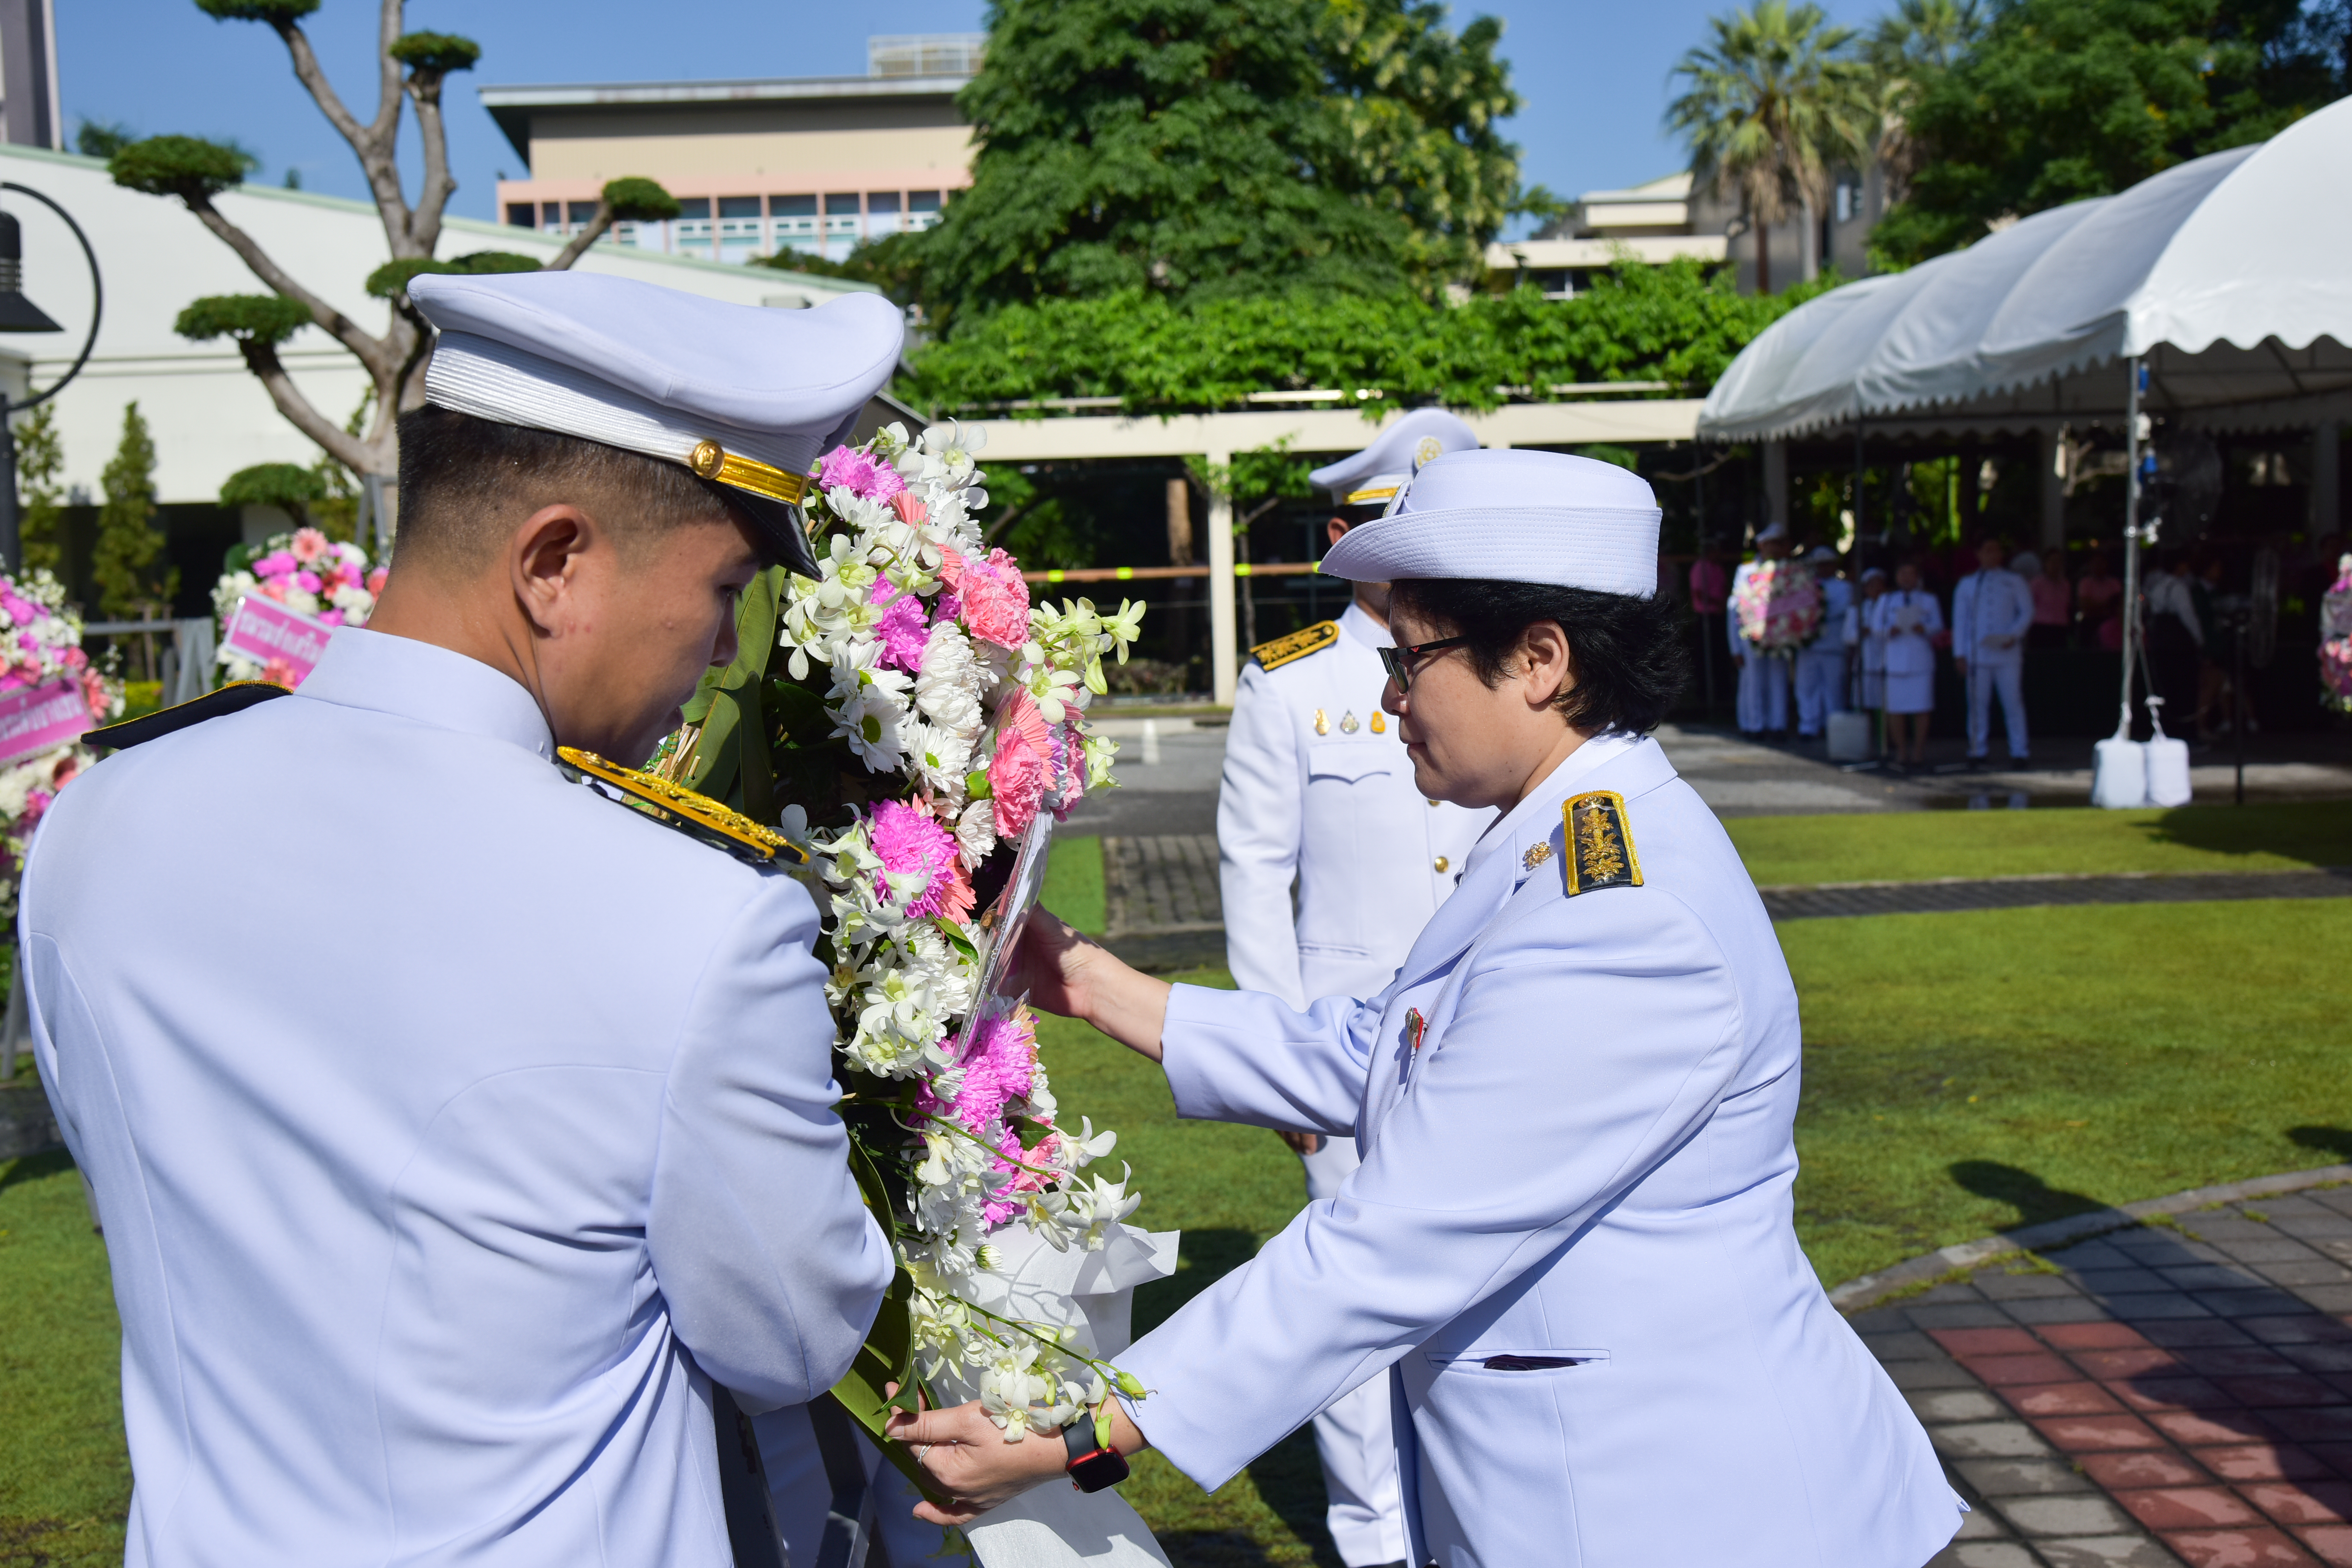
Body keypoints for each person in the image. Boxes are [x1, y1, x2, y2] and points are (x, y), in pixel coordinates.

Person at [886, 450, 1962, 1568]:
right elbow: (1400, 1047)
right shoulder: (1563, 833)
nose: (1390, 696)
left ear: (1540, 660)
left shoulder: (1619, 917)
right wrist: (1093, 984)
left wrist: (1082, 1433)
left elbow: (1392, 1243)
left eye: (1412, 659)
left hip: (1665, 1507)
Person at [19, 271, 903, 1564]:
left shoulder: (98, 822)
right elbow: (794, 1335)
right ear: (555, 563)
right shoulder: (692, 918)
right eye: (721, 591)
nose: (721, 652)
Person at [1216, 406, 1493, 1568]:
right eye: (1394, 538)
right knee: (1350, 1305)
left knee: (1484, 1288)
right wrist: (1281, 1058)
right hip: (1346, 1050)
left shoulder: (1499, 667)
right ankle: (1376, 1539)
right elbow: (1252, 873)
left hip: (1489, 1034)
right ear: (1344, 537)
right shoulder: (1290, 683)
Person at [1952, 536, 2034, 765]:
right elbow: (1961, 621)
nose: (1992, 555)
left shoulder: (2014, 581)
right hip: (1978, 654)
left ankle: (2020, 750)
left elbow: (2026, 611)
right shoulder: (1969, 584)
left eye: (1996, 551)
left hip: (2007, 653)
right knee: (1977, 704)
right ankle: (1977, 750)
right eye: (1987, 551)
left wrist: (2014, 635)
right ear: (1979, 554)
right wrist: (1960, 653)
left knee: (2012, 702)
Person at [1872, 560, 1943, 768]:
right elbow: (1877, 626)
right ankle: (1901, 752)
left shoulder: (1928, 599)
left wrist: (1926, 628)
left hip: (1920, 660)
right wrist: (1889, 631)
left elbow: (1938, 624)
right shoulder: (1886, 600)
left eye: (1910, 573)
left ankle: (1918, 752)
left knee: (1922, 707)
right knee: (1896, 709)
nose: (1906, 578)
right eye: (1902, 573)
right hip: (1895, 660)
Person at [1729, 522, 1793, 739]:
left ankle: (1778, 725)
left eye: (1778, 544)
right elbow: (1734, 610)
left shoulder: (1788, 571)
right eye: (1771, 544)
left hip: (1780, 634)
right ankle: (1754, 725)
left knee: (1778, 680)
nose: (1774, 549)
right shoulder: (1746, 571)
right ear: (1762, 546)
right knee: (1753, 682)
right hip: (1752, 635)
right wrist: (1735, 647)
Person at [1795, 544, 1852, 743]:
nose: (1824, 568)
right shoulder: (1803, 585)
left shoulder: (1845, 588)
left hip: (1833, 646)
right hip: (1809, 646)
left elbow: (1838, 610)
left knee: (1833, 689)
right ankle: (1809, 726)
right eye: (1820, 565)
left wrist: (1819, 610)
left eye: (1827, 564)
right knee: (1807, 687)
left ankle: (1834, 727)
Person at [2144, 550, 2205, 736]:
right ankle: (2185, 732)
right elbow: (2187, 615)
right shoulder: (2178, 587)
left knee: (2166, 687)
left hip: (2160, 641)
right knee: (2183, 688)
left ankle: (2167, 730)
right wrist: (2199, 638)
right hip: (2178, 644)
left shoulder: (2157, 586)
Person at [1851, 565, 1890, 746]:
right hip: (1865, 662)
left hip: (1886, 662)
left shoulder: (1891, 606)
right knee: (1864, 701)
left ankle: (1885, 740)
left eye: (1879, 584)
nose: (1876, 589)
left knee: (1885, 703)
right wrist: (1861, 633)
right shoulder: (1858, 609)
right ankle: (1864, 739)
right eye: (1872, 585)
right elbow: (1848, 636)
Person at [2016, 550, 2071, 651]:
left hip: (2060, 628)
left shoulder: (2065, 584)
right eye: (2052, 561)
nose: (2055, 565)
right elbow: (2028, 607)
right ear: (2045, 564)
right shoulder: (2037, 584)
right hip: (2041, 628)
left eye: (2058, 562)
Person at [2076, 550, 2124, 652]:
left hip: (2111, 622)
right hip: (2090, 623)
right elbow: (2085, 605)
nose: (2098, 566)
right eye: (2095, 563)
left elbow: (2117, 604)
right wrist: (2107, 604)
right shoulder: (2085, 583)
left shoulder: (2114, 583)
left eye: (2101, 563)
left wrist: (2097, 604)